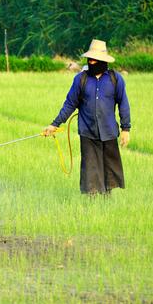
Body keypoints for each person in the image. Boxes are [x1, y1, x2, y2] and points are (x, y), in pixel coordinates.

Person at [43, 39, 131, 195]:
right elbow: (69, 104)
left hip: (109, 131)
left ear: (103, 61)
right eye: (89, 59)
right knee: (90, 170)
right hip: (87, 132)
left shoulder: (115, 79)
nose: (92, 62)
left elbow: (123, 104)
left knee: (109, 169)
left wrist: (126, 129)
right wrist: (54, 124)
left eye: (95, 59)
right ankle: (92, 201)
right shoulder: (80, 79)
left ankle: (106, 201)